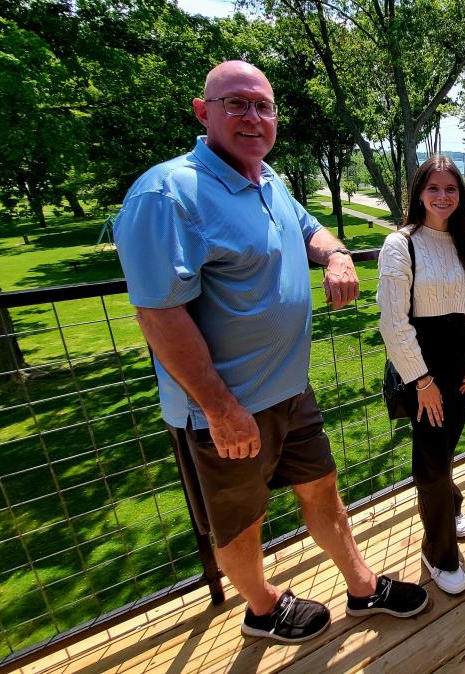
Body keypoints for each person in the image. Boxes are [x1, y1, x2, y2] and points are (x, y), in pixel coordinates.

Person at [113, 60, 427, 644]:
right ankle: (262, 608)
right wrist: (218, 406)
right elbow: (158, 312)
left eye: (262, 105)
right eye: (236, 104)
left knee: (323, 490)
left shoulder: (268, 178)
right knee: (241, 521)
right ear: (204, 113)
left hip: (291, 390)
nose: (252, 116)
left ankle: (362, 589)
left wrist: (334, 255)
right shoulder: (168, 193)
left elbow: (310, 229)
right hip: (226, 408)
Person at [377, 156, 465, 595]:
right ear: (419, 192)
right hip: (423, 364)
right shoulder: (399, 245)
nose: (443, 197)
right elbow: (393, 323)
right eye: (434, 188)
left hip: (459, 358)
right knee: (431, 461)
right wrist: (421, 382)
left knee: (445, 448)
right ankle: (438, 553)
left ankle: (450, 503)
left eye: (451, 189)